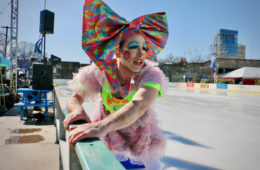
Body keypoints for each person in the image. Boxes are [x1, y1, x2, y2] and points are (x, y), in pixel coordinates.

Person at [63, 0, 169, 169]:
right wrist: (78, 110)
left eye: (144, 47)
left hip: (141, 145)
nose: (141, 53)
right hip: (108, 141)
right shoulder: (100, 71)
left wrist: (99, 126)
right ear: (118, 52)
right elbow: (74, 99)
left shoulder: (150, 74)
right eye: (134, 46)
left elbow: (139, 105)